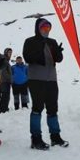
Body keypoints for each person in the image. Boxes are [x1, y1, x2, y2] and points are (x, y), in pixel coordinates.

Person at [23, 18, 68, 150]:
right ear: (38, 28)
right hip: (36, 79)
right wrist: (40, 48)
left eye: (48, 28)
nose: (46, 30)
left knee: (53, 108)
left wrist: (58, 53)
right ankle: (36, 139)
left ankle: (55, 136)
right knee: (37, 108)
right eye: (44, 27)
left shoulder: (52, 42)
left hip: (51, 79)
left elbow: (58, 59)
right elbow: (28, 57)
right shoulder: (30, 41)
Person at [0, 48, 13, 113]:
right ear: (6, 52)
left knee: (6, 95)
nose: (10, 54)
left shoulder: (6, 60)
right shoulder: (4, 60)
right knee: (5, 95)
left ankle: (4, 108)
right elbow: (3, 72)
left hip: (5, 80)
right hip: (4, 81)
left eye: (11, 52)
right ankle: (3, 109)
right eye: (9, 52)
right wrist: (10, 78)